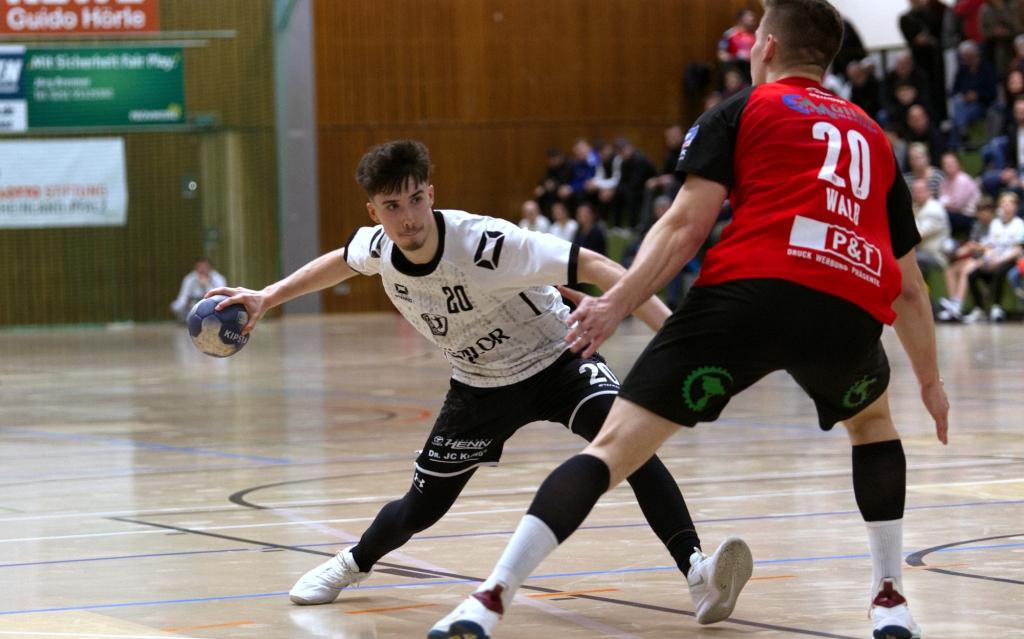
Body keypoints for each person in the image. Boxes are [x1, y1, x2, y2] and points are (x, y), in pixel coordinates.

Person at [430, 2, 949, 639]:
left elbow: (683, 227)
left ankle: (487, 600)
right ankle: (890, 601)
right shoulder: (873, 137)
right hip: (846, 304)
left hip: (749, 294)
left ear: (766, 47)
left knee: (612, 450)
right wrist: (931, 382)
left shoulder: (743, 109)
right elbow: (911, 289)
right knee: (872, 427)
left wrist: (615, 302)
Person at [205, 140, 703, 614]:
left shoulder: (486, 243)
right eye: (392, 206)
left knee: (631, 448)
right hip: (480, 383)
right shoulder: (377, 247)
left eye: (416, 199)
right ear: (374, 213)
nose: (408, 217)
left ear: (431, 194)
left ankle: (697, 568)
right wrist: (267, 297)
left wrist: (676, 340)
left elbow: (596, 264)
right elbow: (341, 261)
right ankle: (352, 562)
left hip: (560, 358)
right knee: (421, 508)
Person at [965, 190, 1024, 321]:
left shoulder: (1019, 224)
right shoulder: (995, 224)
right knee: (972, 275)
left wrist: (998, 261)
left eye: (1009, 203)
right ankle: (979, 308)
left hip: (1011, 260)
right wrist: (987, 258)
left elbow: (1017, 250)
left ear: (1015, 207)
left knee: (999, 271)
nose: (1006, 206)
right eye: (1003, 203)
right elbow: (990, 246)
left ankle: (997, 307)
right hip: (995, 259)